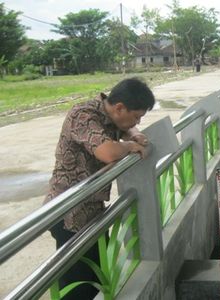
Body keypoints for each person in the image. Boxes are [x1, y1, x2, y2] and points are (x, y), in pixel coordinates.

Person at [45, 77, 156, 299]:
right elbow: (107, 152)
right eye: (136, 117)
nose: (137, 122)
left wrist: (134, 133)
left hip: (92, 210)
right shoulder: (83, 115)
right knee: (77, 285)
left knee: (96, 277)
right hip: (69, 213)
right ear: (119, 108)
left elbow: (127, 129)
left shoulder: (111, 115)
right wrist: (129, 145)